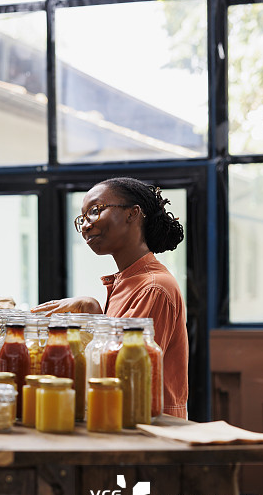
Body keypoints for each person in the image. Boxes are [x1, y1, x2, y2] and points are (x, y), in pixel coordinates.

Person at [32, 177, 188, 418]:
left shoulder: (154, 287)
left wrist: (93, 313)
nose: (85, 225)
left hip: (148, 426)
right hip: (122, 416)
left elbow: (129, 372)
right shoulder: (127, 281)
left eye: (95, 211)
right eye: (82, 219)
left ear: (133, 214)